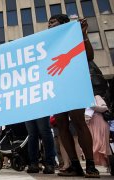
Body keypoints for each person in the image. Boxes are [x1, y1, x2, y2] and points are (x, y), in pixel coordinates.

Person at [48, 14, 100, 178]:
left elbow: (89, 56)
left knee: (78, 123)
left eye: (53, 22)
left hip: (73, 83)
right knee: (61, 125)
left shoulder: (74, 35)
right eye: (48, 23)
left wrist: (83, 34)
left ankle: (91, 166)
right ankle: (74, 165)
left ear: (64, 24)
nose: (49, 26)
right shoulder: (48, 41)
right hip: (56, 86)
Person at [86, 95, 112, 167]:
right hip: (90, 124)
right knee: (93, 144)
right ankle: (94, 165)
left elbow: (105, 108)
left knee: (101, 144)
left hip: (100, 122)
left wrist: (93, 107)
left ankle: (109, 165)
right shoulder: (83, 99)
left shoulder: (96, 97)